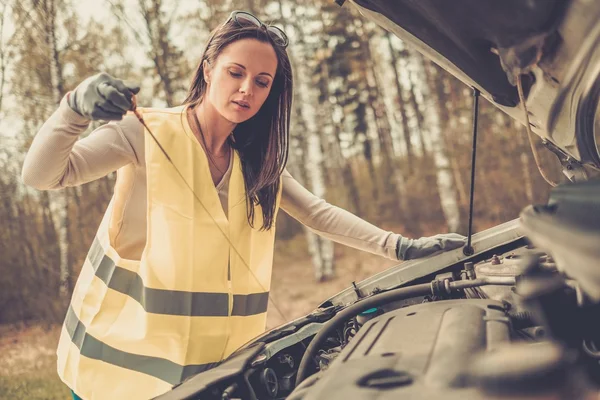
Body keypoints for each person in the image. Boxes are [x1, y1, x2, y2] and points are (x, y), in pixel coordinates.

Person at [21, 10, 465, 400]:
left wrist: (402, 248)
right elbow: (43, 176)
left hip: (210, 370)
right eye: (235, 72)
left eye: (261, 81)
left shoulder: (254, 162)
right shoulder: (145, 133)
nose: (246, 89)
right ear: (208, 68)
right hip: (116, 364)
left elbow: (317, 213)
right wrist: (73, 109)